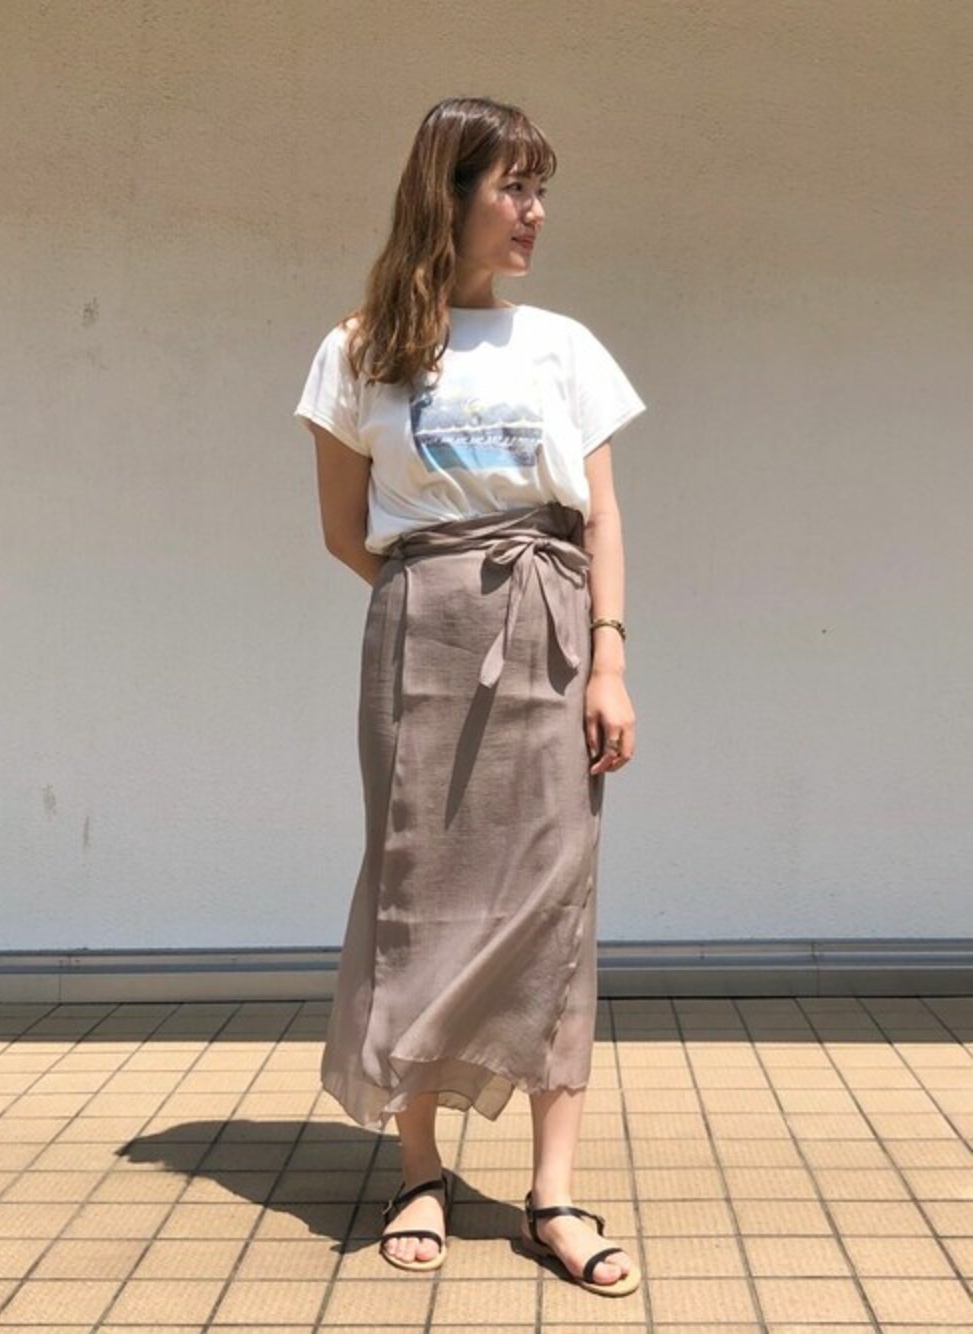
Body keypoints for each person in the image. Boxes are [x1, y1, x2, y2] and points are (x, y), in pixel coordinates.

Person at [293, 96, 646, 1298]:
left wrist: (606, 657)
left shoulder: (563, 345)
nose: (535, 212)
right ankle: (420, 1170)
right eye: (513, 188)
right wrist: (441, 598)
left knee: (554, 899)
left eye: (541, 189)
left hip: (553, 633)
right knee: (418, 891)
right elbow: (346, 530)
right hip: (422, 639)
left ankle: (552, 1191)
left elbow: (601, 515)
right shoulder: (357, 349)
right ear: (447, 195)